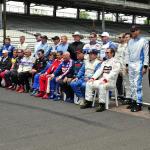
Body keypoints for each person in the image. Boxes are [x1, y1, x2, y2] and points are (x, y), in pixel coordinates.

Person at [126, 25, 149, 112]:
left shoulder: (144, 41)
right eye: (131, 31)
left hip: (139, 64)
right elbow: (128, 53)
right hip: (131, 64)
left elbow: (146, 55)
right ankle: (133, 101)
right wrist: (127, 65)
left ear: (138, 31)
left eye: (134, 31)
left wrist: (145, 66)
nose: (133, 32)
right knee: (131, 83)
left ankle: (139, 103)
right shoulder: (130, 41)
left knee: (137, 84)